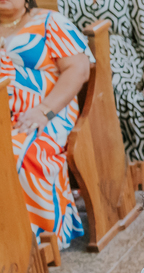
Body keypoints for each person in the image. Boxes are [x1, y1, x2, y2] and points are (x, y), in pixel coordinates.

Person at [1, 0, 91, 247]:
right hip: (2, 116)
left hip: (47, 113)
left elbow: (79, 69)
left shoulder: (50, 22)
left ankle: (39, 237)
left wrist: (44, 110)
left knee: (17, 153)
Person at [59, 0, 144, 166]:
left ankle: (120, 156)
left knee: (112, 84)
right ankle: (87, 155)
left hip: (123, 54)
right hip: (81, 55)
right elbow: (63, 31)